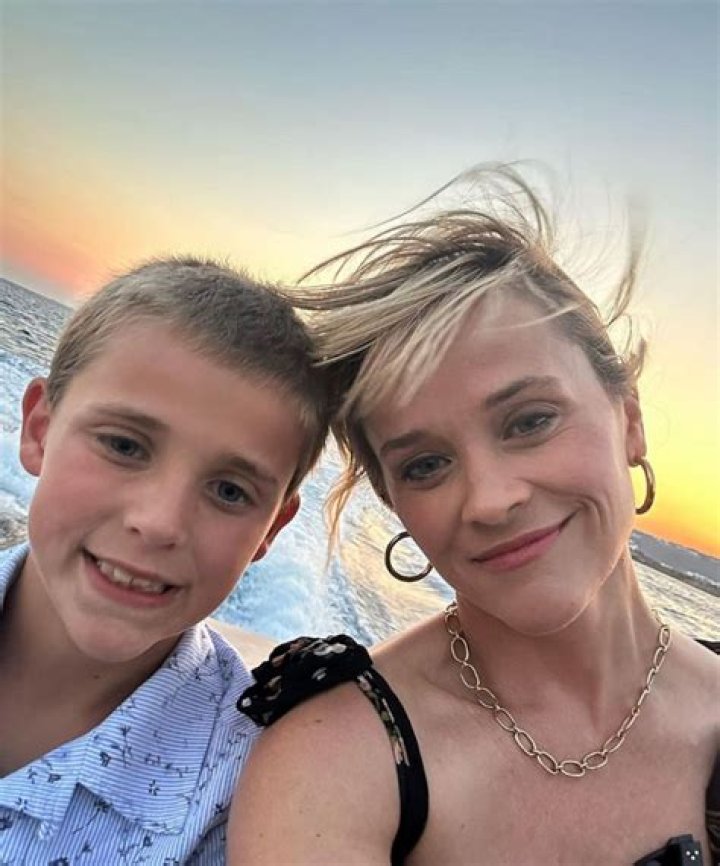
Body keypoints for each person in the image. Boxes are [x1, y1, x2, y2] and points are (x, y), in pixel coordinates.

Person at [229, 168, 720, 865]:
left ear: (629, 422)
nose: (490, 499)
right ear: (394, 500)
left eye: (530, 421)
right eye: (426, 464)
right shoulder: (338, 764)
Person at [0, 257, 331, 863]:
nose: (159, 523)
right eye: (124, 445)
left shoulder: (249, 801)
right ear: (39, 430)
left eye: (229, 490)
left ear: (273, 529)